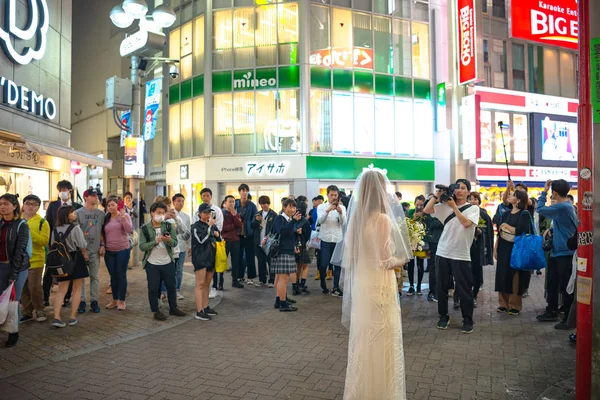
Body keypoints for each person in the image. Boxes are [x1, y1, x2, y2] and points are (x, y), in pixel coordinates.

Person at [341, 168, 411, 399]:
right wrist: (403, 256)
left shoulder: (355, 221)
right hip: (381, 284)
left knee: (364, 340)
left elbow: (351, 256)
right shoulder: (382, 219)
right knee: (383, 339)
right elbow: (386, 259)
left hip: (363, 284)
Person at [424, 179, 480, 334]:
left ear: (468, 192)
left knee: (464, 289)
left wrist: (454, 207)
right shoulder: (445, 206)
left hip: (461, 254)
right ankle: (443, 316)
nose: (459, 191)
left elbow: (466, 223)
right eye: (457, 188)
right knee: (441, 287)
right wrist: (437, 195)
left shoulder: (473, 209)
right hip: (443, 251)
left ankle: (467, 319)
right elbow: (427, 210)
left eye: (463, 188)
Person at [536, 179, 578, 329]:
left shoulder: (563, 207)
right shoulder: (566, 206)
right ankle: (551, 310)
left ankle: (568, 319)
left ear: (554, 192)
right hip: (557, 252)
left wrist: (543, 191)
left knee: (566, 287)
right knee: (552, 284)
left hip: (565, 253)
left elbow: (539, 208)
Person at [138, 201, 186, 321]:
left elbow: (175, 242)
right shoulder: (145, 229)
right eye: (158, 213)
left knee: (171, 286)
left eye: (163, 213)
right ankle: (156, 310)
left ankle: (173, 308)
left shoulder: (168, 226)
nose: (161, 215)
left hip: (168, 261)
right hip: (152, 263)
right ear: (152, 213)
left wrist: (169, 240)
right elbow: (142, 246)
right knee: (153, 288)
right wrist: (155, 241)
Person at [43, 180, 83, 307]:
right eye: (60, 190)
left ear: (70, 191)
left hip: (71, 246)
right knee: (50, 270)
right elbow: (48, 222)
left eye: (65, 190)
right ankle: (45, 297)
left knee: (69, 270)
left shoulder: (77, 206)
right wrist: (50, 243)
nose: (62, 192)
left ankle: (66, 297)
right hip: (55, 244)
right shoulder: (53, 205)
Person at [493, 191, 532, 316]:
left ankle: (514, 304)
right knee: (502, 274)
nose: (510, 197)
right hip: (503, 246)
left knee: (516, 276)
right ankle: (503, 303)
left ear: (519, 200)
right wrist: (496, 248)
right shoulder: (506, 214)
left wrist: (505, 226)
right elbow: (499, 233)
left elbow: (520, 230)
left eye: (513, 195)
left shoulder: (524, 214)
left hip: (517, 248)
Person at [50, 206, 89, 328]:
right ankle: (72, 317)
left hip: (61, 261)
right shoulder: (75, 228)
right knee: (77, 289)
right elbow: (82, 244)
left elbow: (52, 244)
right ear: (66, 215)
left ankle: (56, 317)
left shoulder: (55, 229)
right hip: (75, 258)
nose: (74, 214)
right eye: (72, 212)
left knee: (62, 290)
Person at [0, 194, 31, 347]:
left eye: (6, 204)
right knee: (1, 300)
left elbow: (20, 251)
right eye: (0, 204)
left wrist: (14, 274)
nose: (2, 207)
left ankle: (13, 332)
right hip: (0, 266)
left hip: (17, 268)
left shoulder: (21, 225)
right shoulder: (0, 223)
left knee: (13, 301)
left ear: (14, 206)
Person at [20, 195, 50, 324]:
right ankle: (26, 312)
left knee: (34, 287)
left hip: (36, 259)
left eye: (34, 204)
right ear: (23, 206)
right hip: (20, 260)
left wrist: (30, 233)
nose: (31, 206)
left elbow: (44, 241)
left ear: (38, 207)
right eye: (28, 203)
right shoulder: (18, 221)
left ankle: (40, 309)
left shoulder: (42, 222)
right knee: (23, 287)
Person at [76, 188, 105, 314]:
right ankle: (81, 301)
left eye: (96, 195)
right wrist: (83, 251)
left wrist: (102, 244)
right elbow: (76, 234)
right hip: (81, 250)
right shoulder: (77, 213)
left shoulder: (101, 214)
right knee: (81, 277)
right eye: (93, 195)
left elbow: (102, 230)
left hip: (95, 250)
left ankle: (94, 301)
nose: (96, 197)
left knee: (94, 277)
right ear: (86, 197)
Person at [103, 197, 133, 311]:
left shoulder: (124, 216)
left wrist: (124, 216)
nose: (110, 207)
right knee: (113, 275)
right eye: (108, 205)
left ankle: (122, 300)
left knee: (121, 274)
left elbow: (129, 229)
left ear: (118, 205)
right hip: (109, 251)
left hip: (122, 250)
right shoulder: (106, 218)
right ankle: (114, 299)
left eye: (113, 205)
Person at [191, 203, 220, 321]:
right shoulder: (195, 226)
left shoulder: (212, 226)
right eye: (205, 212)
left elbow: (219, 239)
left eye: (209, 213)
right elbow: (201, 240)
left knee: (207, 284)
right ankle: (199, 310)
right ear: (199, 214)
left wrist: (217, 234)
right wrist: (209, 228)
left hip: (211, 257)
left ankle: (205, 306)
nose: (207, 215)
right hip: (200, 258)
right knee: (200, 284)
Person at [272, 199, 302, 312]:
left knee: (279, 278)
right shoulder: (279, 218)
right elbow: (282, 232)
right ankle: (283, 304)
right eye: (290, 207)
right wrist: (293, 222)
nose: (292, 209)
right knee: (283, 279)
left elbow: (289, 235)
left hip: (287, 250)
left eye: (294, 207)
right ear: (284, 207)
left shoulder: (288, 219)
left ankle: (278, 300)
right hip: (282, 251)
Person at [317, 185, 347, 296]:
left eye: (335, 195)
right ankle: (323, 284)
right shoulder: (321, 207)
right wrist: (328, 210)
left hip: (338, 239)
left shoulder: (342, 208)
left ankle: (336, 287)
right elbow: (320, 220)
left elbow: (344, 223)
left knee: (338, 265)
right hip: (325, 239)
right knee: (324, 264)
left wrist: (339, 212)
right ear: (327, 195)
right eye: (331, 195)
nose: (334, 197)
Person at [467, 192, 494, 306]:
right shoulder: (463, 213)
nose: (473, 201)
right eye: (470, 199)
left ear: (479, 201)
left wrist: (480, 233)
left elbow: (489, 234)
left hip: (478, 248)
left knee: (477, 273)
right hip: (465, 247)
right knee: (463, 272)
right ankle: (459, 297)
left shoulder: (484, 215)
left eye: (475, 199)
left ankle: (474, 295)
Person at [198, 188, 224, 298]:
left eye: (207, 195)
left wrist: (213, 234)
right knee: (203, 266)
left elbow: (219, 225)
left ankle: (214, 287)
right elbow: (196, 225)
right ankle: (204, 287)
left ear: (211, 197)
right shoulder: (197, 210)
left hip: (213, 241)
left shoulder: (217, 210)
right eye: (203, 196)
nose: (205, 198)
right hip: (202, 243)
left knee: (213, 265)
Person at [251, 196, 277, 287]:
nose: (264, 205)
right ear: (260, 204)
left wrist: (269, 239)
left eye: (266, 203)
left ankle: (272, 280)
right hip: (258, 242)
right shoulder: (257, 214)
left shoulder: (274, 215)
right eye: (262, 203)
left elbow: (275, 229)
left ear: (269, 204)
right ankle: (262, 280)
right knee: (261, 261)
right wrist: (256, 221)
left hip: (269, 242)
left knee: (271, 262)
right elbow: (252, 226)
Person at [235, 184, 258, 285]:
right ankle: (239, 276)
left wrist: (255, 223)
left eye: (246, 191)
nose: (244, 193)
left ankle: (251, 277)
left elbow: (255, 219)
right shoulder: (235, 204)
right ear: (239, 192)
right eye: (242, 191)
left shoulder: (252, 205)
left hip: (249, 234)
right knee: (238, 256)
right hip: (238, 234)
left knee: (250, 256)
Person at [423, 194, 444, 302]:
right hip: (434, 242)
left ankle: (441, 291)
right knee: (433, 267)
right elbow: (430, 222)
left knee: (442, 269)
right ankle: (432, 292)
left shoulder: (444, 205)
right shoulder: (429, 205)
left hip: (444, 241)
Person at [406, 195, 427, 296]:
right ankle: (411, 285)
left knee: (420, 264)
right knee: (410, 264)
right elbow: (407, 224)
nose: (419, 207)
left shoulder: (426, 212)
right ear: (414, 204)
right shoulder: (410, 212)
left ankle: (418, 286)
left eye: (421, 205)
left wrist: (423, 216)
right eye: (417, 204)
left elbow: (427, 225)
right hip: (411, 240)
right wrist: (413, 217)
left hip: (421, 241)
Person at [172, 193, 191, 300]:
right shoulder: (169, 214)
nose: (180, 203)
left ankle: (177, 290)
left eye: (182, 201)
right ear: (173, 202)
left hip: (182, 247)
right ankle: (166, 290)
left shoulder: (186, 217)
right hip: (170, 248)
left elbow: (188, 232)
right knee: (170, 270)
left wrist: (190, 246)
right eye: (178, 201)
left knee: (179, 270)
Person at [222, 195, 243, 288]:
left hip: (235, 240)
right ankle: (219, 283)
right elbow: (224, 228)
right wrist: (233, 225)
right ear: (225, 203)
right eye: (230, 201)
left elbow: (239, 225)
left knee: (235, 262)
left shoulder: (236, 213)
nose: (231, 203)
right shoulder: (222, 213)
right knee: (222, 262)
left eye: (233, 202)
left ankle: (235, 281)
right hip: (225, 241)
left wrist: (235, 216)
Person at [293, 200, 311, 295]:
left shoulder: (291, 219)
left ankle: (295, 285)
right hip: (302, 246)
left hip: (292, 245)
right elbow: (308, 235)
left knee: (296, 266)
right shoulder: (305, 221)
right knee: (305, 266)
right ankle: (302, 284)